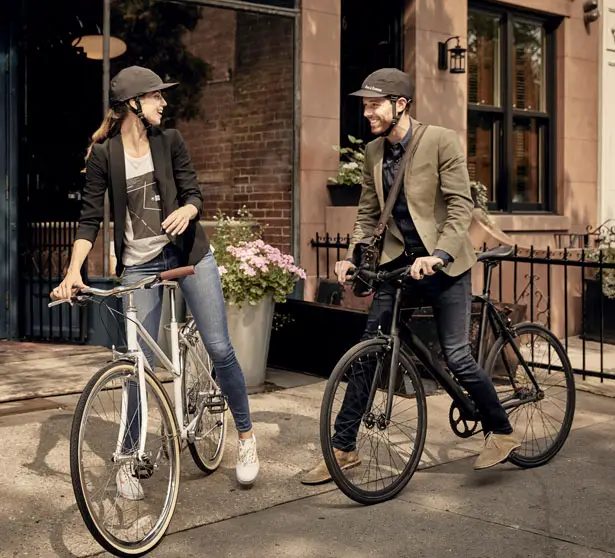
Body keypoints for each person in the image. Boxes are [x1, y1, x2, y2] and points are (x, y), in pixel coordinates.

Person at [302, 68, 520, 485]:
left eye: (374, 104)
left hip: (445, 265)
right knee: (368, 354)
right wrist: (350, 256)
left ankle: (501, 430)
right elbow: (368, 214)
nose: (367, 112)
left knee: (456, 355)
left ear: (400, 104)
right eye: (364, 105)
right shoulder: (373, 153)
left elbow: (460, 208)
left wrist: (438, 255)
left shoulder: (440, 140)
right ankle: (344, 449)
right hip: (398, 265)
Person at [52, 66, 259, 497]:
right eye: (155, 97)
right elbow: (89, 219)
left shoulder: (171, 141)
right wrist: (74, 271)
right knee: (135, 363)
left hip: (188, 256)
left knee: (219, 346)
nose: (163, 103)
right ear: (133, 105)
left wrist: (189, 210)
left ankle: (245, 436)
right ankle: (129, 457)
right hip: (141, 266)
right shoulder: (104, 155)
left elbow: (193, 192)